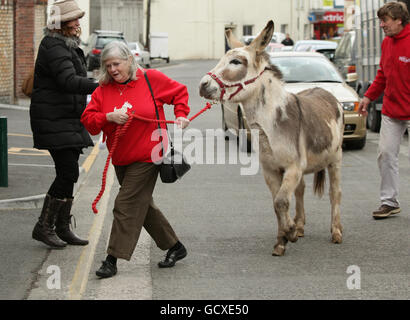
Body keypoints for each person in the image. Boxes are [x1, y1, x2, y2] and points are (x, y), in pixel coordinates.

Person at [81, 41, 190, 278]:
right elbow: (88, 121)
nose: (112, 69)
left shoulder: (151, 78)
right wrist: (108, 116)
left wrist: (181, 115)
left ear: (129, 60)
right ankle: (175, 247)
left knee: (126, 204)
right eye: (107, 65)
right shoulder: (103, 90)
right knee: (142, 204)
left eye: (116, 64)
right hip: (121, 157)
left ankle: (111, 260)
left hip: (149, 154)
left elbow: (180, 92)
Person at [30, 0, 98, 248]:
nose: (78, 23)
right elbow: (69, 81)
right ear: (60, 24)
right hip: (54, 119)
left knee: (69, 172)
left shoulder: (63, 45)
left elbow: (75, 78)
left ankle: (61, 227)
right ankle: (44, 226)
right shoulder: (54, 46)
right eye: (74, 19)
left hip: (65, 118)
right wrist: (101, 85)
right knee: (68, 171)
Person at [358, 2, 410, 219]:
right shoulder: (387, 44)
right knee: (386, 154)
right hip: (391, 109)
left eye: (385, 21)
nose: (381, 25)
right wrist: (368, 97)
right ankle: (389, 202)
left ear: (399, 20)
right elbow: (382, 75)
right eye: (380, 21)